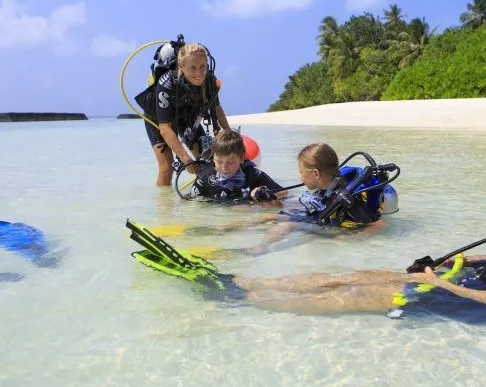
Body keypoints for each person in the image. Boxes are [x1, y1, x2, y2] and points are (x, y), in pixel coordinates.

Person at [127, 130, 486, 322]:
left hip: (480, 302)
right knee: (357, 275)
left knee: (352, 295)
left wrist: (442, 285)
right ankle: (245, 282)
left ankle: (240, 299)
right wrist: (460, 260)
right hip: (469, 280)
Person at [214, 143, 391, 254]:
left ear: (315, 174)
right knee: (270, 215)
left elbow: (378, 225)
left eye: (301, 172)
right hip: (320, 216)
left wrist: (346, 241)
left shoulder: (346, 198)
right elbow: (310, 204)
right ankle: (223, 229)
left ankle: (260, 249)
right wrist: (272, 200)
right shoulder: (325, 187)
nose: (300, 177)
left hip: (334, 225)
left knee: (286, 224)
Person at [137, 41, 230, 186]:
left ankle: (207, 194)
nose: (199, 73)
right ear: (181, 66)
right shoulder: (166, 83)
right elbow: (165, 129)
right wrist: (184, 158)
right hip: (158, 119)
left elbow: (217, 109)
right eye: (192, 68)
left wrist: (230, 135)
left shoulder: (209, 80)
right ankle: (164, 200)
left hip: (187, 116)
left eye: (202, 67)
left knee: (206, 160)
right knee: (167, 167)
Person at [185, 129, 285, 204]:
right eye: (219, 162)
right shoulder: (206, 178)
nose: (224, 167)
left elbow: (284, 192)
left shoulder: (252, 174)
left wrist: (264, 193)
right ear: (212, 158)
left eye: (230, 163)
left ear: (241, 158)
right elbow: (189, 202)